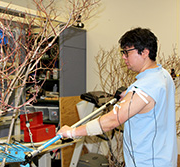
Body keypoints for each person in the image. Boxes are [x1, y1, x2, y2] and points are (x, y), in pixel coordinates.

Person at [57, 27, 178, 167]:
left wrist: (73, 132)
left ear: (144, 52)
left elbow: (112, 120)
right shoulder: (163, 75)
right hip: (164, 158)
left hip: (147, 162)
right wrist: (129, 95)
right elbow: (151, 102)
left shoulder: (144, 88)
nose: (123, 57)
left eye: (127, 52)